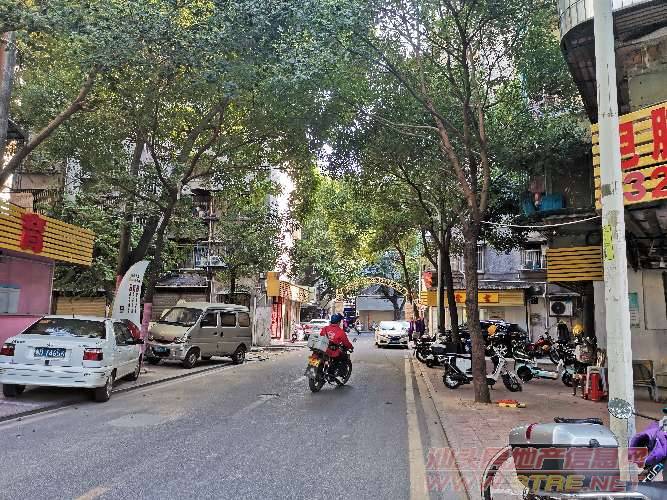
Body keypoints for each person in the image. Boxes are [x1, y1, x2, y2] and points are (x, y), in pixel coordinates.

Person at [320, 314, 354, 378]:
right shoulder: (341, 332)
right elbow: (346, 343)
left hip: (322, 348)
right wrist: (351, 347)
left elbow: (321, 335)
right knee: (343, 358)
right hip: (332, 351)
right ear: (338, 322)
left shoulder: (325, 328)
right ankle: (333, 374)